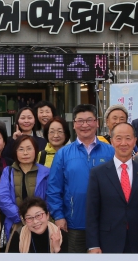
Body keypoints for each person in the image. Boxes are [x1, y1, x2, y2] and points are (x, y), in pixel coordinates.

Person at [47, 104, 115, 253]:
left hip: (105, 224)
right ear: (74, 125)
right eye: (80, 121)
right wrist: (58, 215)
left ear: (97, 123)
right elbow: (53, 189)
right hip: (74, 223)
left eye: (89, 120)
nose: (85, 125)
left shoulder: (110, 151)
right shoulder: (63, 154)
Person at [86, 122, 138, 255]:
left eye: (128, 138)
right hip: (108, 242)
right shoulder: (98, 173)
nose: (123, 143)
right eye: (118, 138)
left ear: (135, 141)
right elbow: (92, 212)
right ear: (112, 141)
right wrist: (93, 245)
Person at [0, 135, 50, 239]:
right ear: (15, 152)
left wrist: (37, 218)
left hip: (40, 224)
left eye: (29, 149)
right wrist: (23, 218)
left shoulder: (46, 172)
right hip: (16, 224)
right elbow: (3, 199)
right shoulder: (8, 171)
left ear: (36, 150)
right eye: (21, 149)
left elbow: (50, 198)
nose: (25, 153)